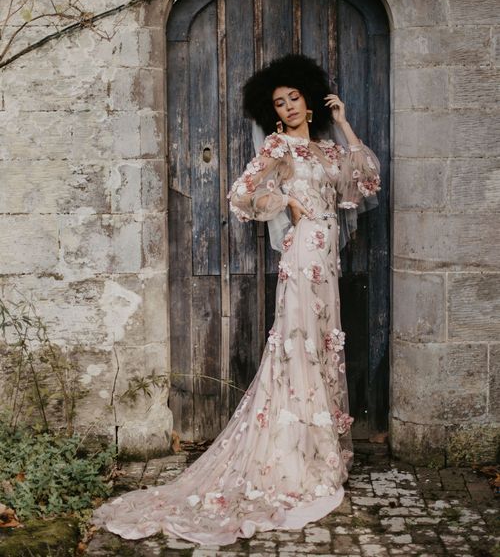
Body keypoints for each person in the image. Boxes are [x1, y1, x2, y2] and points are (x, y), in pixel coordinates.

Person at [91, 53, 381, 546]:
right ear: (273, 113)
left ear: (309, 102)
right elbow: (242, 194)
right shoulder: (277, 147)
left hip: (327, 261)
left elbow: (365, 177)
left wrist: (344, 123)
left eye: (294, 98)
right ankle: (288, 458)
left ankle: (317, 455)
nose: (287, 107)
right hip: (300, 254)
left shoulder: (329, 151)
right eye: (278, 103)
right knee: (297, 345)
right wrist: (285, 201)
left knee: (323, 347)